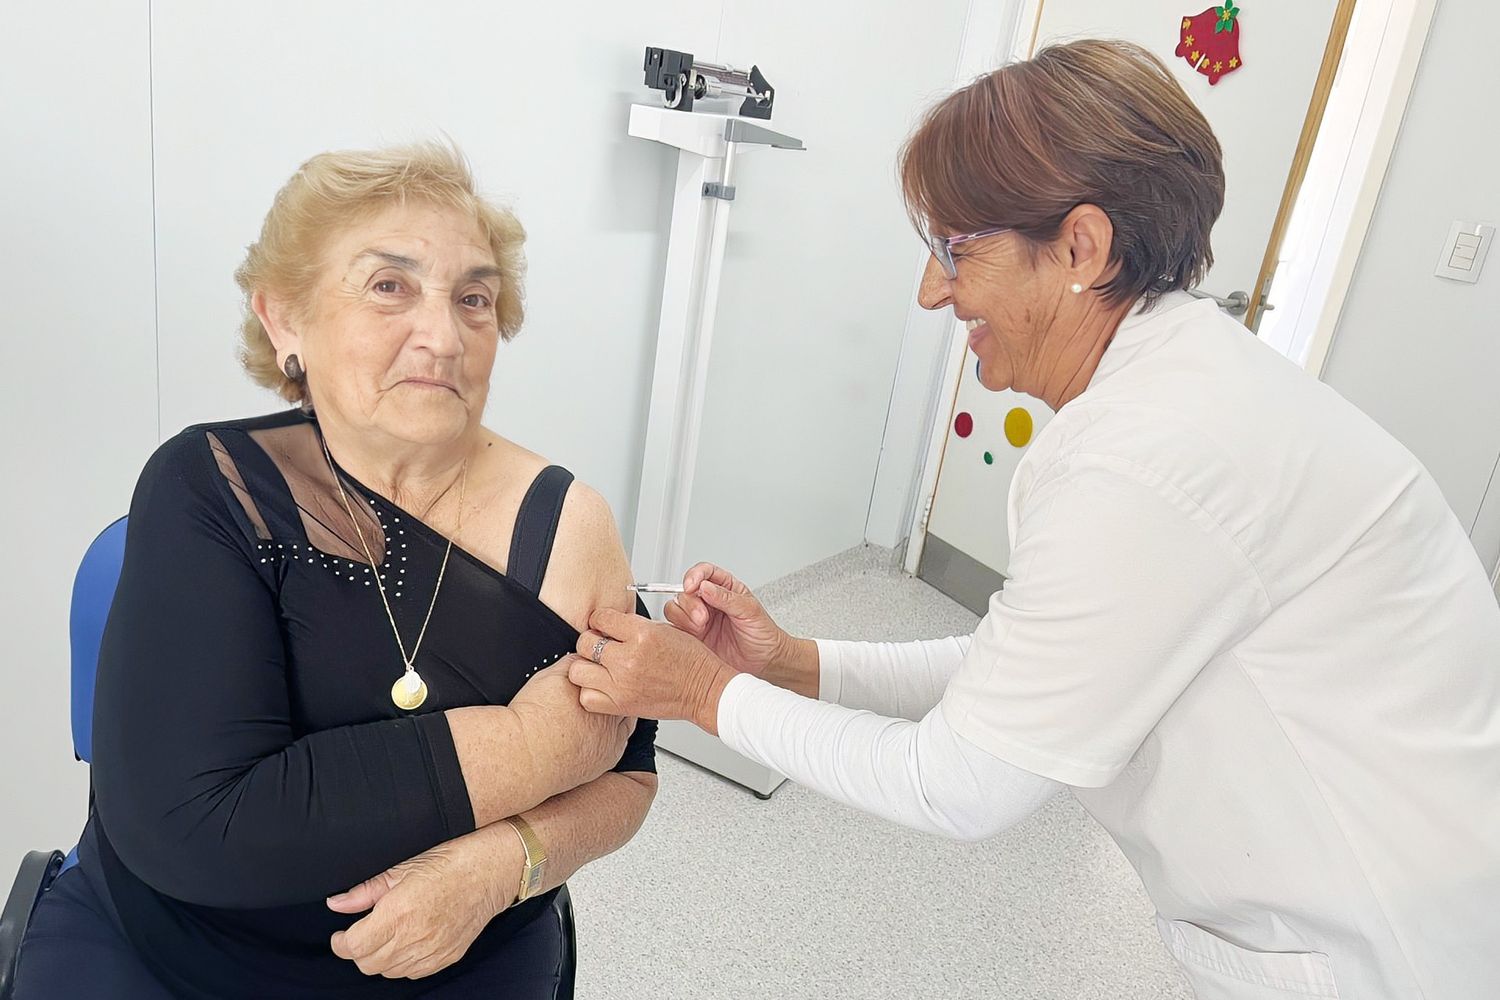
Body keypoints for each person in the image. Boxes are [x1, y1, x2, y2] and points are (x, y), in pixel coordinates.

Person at [568, 40, 1500, 999]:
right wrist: (795, 663)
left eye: (955, 251)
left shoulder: (1148, 456)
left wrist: (699, 695)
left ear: (1082, 249)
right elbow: (1022, 664)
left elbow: (958, 784)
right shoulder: (1183, 389)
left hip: (1388, 948)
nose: (933, 291)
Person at [14, 143, 658, 999]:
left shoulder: (570, 522)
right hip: (168, 951)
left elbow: (629, 773)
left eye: (473, 297)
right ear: (285, 321)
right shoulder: (212, 484)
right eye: (389, 287)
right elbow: (198, 829)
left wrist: (511, 859)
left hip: (456, 949)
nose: (442, 335)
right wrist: (536, 743)